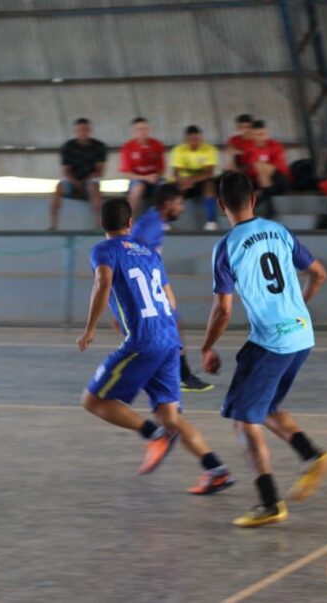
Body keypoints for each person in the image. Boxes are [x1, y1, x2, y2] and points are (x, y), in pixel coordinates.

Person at [76, 198, 235, 497]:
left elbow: (103, 281)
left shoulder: (104, 250)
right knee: (170, 416)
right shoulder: (148, 251)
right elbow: (170, 300)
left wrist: (90, 328)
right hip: (169, 339)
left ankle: (153, 435)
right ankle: (217, 470)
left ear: (101, 222)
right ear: (130, 222)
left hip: (143, 341)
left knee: (92, 400)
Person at [202, 171, 327, 527]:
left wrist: (208, 346)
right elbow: (319, 273)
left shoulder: (226, 247)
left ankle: (270, 502)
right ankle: (310, 455)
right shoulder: (280, 231)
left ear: (221, 205)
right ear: (254, 200)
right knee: (267, 406)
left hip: (271, 342)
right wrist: (298, 306)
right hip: (301, 335)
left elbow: (222, 310)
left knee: (244, 419)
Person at [131, 183, 215, 394]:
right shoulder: (151, 225)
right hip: (144, 288)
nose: (182, 208)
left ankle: (177, 375)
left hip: (149, 287)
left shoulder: (155, 222)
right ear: (167, 204)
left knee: (170, 326)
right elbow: (133, 255)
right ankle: (178, 376)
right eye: (179, 203)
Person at [50, 118, 106, 230]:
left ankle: (99, 224)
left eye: (85, 130)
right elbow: (66, 170)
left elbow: (99, 171)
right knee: (58, 187)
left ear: (89, 130)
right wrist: (74, 182)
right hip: (72, 180)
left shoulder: (99, 146)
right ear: (75, 131)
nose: (82, 132)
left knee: (93, 187)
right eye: (79, 130)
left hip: (90, 180)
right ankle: (53, 225)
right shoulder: (68, 146)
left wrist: (85, 181)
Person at [170, 125, 219, 231]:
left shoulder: (209, 149)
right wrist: (181, 182)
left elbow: (209, 173)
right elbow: (176, 173)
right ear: (186, 139)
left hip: (201, 183)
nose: (196, 142)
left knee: (210, 186)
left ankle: (211, 222)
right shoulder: (179, 150)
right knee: (168, 189)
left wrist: (191, 180)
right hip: (184, 183)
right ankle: (166, 221)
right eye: (193, 139)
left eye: (198, 139)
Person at [244, 120, 291, 215]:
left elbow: (275, 168)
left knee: (261, 168)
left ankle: (262, 199)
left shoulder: (276, 146)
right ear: (252, 135)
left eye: (263, 134)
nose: (261, 137)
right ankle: (268, 205)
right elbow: (253, 170)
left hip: (279, 181)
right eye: (258, 135)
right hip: (263, 183)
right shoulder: (250, 149)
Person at [120, 117, 165, 214]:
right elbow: (127, 173)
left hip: (154, 178)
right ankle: (128, 218)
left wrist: (156, 177)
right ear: (134, 131)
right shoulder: (127, 147)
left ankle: (161, 219)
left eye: (144, 129)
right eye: (139, 129)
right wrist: (146, 178)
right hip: (137, 179)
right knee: (138, 187)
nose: (142, 132)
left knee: (165, 188)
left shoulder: (157, 145)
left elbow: (161, 169)